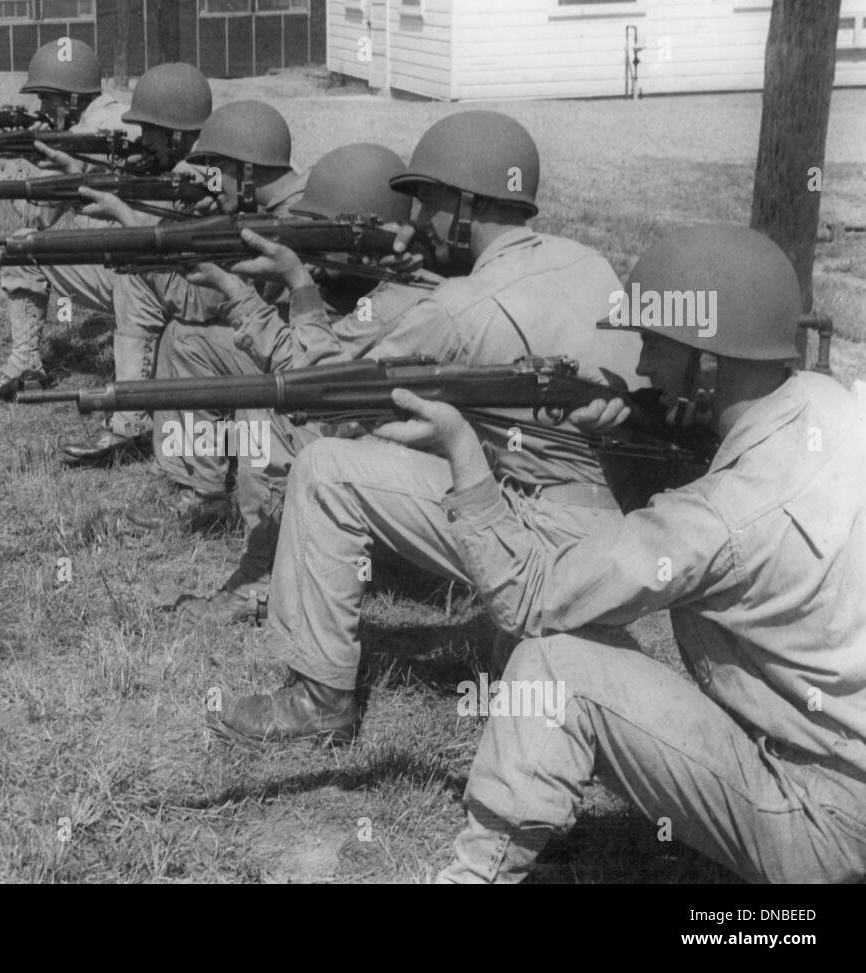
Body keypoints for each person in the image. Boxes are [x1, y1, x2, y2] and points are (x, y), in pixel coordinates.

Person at [360, 224, 866, 884]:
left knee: (553, 665)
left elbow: (530, 597)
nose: (644, 366)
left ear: (708, 366)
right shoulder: (836, 406)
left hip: (824, 826)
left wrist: (462, 451)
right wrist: (629, 433)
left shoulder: (720, 518)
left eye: (656, 344)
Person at [202, 112, 644, 730]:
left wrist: (299, 285)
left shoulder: (459, 309)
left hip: (546, 537)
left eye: (428, 204)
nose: (414, 223)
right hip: (620, 529)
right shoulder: (587, 261)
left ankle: (319, 699)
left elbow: (333, 395)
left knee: (326, 468)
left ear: (466, 207)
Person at [133, 142, 424, 623]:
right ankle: (200, 484)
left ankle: (264, 578)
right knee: (191, 342)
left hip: (388, 445)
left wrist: (282, 283)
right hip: (362, 416)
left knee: (267, 402)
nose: (307, 247)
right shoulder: (369, 280)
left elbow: (311, 375)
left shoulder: (393, 304)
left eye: (322, 232)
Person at [58, 100, 309, 482]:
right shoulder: (302, 198)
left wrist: (129, 222)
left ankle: (202, 483)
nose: (209, 179)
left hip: (302, 360)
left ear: (245, 170)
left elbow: (198, 304)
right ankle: (184, 468)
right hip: (306, 345)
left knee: (188, 337)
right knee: (184, 334)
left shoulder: (286, 225)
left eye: (217, 170)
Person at [0, 52, 210, 403]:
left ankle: (29, 365)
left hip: (153, 277)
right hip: (157, 267)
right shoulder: (135, 117)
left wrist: (10, 158)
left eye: (47, 98)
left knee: (22, 247)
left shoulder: (90, 134)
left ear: (72, 100)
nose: (41, 106)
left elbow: (38, 216)